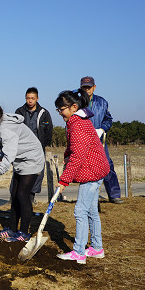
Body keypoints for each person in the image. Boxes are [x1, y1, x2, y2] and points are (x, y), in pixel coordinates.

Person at [0, 98, 45, 242]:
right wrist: (0, 155)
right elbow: (10, 147)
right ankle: (11, 229)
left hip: (32, 160)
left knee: (22, 195)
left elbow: (10, 155)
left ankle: (24, 233)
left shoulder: (5, 128)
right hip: (22, 159)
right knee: (14, 194)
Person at [54, 89, 110, 264]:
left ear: (74, 107)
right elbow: (74, 149)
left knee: (80, 211)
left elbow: (78, 156)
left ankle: (79, 252)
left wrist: (64, 180)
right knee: (91, 210)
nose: (60, 113)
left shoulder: (78, 124)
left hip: (92, 172)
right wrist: (66, 157)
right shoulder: (77, 121)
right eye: (58, 110)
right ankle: (96, 248)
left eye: (62, 109)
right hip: (96, 169)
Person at [80, 76, 123, 204]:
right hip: (83, 140)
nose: (87, 89)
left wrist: (102, 129)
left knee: (107, 165)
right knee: (85, 167)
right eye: (84, 87)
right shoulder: (76, 102)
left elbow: (108, 119)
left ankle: (114, 195)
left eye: (89, 87)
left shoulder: (102, 102)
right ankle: (88, 197)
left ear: (94, 87)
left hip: (99, 140)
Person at [13, 87, 53, 203]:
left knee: (37, 174)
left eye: (32, 98)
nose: (30, 101)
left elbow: (48, 130)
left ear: (37, 98)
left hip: (38, 150)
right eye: (28, 98)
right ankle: (18, 198)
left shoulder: (44, 113)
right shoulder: (19, 112)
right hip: (23, 149)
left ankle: (31, 197)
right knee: (21, 172)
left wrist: (44, 145)